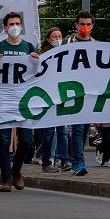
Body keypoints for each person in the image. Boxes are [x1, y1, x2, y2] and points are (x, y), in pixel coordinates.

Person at [0, 12, 39, 193]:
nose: (15, 26)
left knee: (26, 141)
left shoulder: (28, 47)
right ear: (5, 28)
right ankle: (6, 179)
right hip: (4, 100)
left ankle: (16, 170)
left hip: (24, 101)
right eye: (11, 24)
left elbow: (37, 74)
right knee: (3, 141)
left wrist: (35, 61)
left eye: (18, 23)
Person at [34, 27, 70, 172]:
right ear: (48, 39)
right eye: (54, 37)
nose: (57, 39)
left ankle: (65, 160)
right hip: (48, 98)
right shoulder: (42, 55)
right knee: (49, 132)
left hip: (62, 96)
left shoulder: (66, 53)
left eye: (59, 36)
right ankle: (47, 162)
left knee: (63, 131)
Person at [67, 12, 97, 177]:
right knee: (78, 129)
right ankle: (78, 162)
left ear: (92, 26)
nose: (85, 27)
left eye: (88, 24)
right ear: (76, 25)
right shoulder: (68, 42)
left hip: (89, 92)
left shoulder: (95, 44)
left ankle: (73, 158)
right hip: (72, 91)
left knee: (84, 129)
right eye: (82, 24)